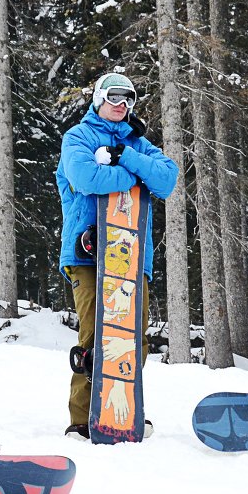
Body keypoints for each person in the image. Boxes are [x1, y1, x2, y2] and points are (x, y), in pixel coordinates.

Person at [55, 72, 179, 440]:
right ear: (98, 99)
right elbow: (88, 178)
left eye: (128, 99)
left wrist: (124, 157)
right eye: (114, 97)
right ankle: (83, 414)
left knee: (132, 334)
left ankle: (126, 405)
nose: (121, 105)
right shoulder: (77, 138)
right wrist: (135, 176)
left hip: (131, 253)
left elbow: (167, 179)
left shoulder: (137, 143)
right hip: (88, 252)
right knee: (96, 331)